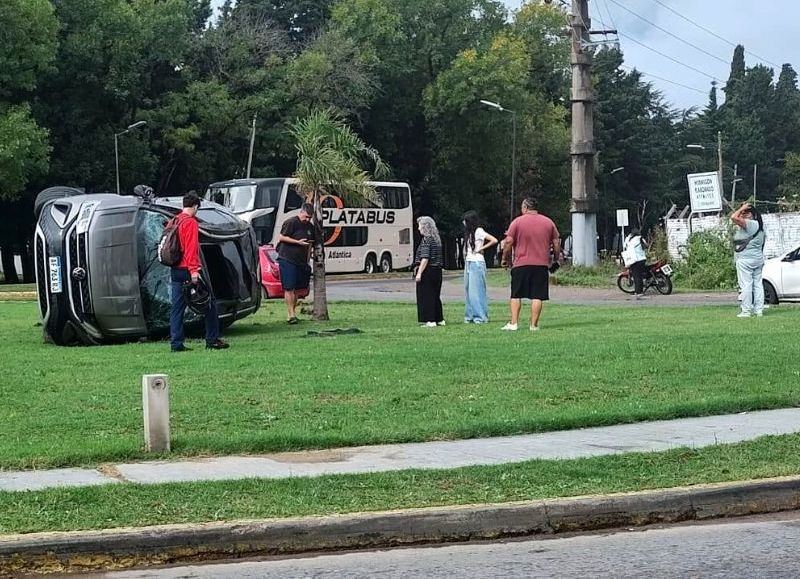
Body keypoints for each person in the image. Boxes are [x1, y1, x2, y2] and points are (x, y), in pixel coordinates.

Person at [170, 192, 229, 352]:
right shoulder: (190, 223)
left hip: (175, 269)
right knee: (208, 302)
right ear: (195, 206)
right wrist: (194, 271)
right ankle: (212, 338)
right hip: (187, 270)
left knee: (177, 308)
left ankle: (176, 343)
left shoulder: (174, 221)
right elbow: (190, 249)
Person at [500, 197, 561, 331]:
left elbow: (509, 242)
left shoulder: (517, 222)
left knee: (516, 294)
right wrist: (556, 259)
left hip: (521, 263)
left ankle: (514, 323)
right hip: (541, 264)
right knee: (537, 295)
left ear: (525, 208)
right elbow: (556, 242)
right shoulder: (548, 222)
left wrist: (505, 258)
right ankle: (534, 325)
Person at [277, 202, 315, 324]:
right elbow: (282, 237)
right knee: (289, 287)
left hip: (301, 261)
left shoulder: (310, 227)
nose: (307, 219)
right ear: (301, 212)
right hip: (287, 259)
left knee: (298, 290)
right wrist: (297, 242)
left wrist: (308, 258)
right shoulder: (291, 222)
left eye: (310, 218)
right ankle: (291, 315)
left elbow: (311, 244)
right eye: (306, 217)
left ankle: (292, 313)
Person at [462, 210, 498, 323]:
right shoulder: (469, 233)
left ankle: (480, 317)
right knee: (468, 290)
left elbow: (494, 240)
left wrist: (481, 248)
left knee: (476, 291)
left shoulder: (479, 231)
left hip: (476, 262)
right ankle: (470, 315)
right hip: (469, 262)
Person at [731, 201, 766, 318]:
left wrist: (742, 208)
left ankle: (746, 311)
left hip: (746, 260)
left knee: (746, 285)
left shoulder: (750, 224)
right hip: (758, 259)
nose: (742, 214)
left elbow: (733, 217)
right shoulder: (759, 225)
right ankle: (759, 310)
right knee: (758, 284)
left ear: (750, 214)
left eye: (745, 212)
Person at [414, 216, 445, 327]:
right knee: (435, 295)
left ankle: (430, 320)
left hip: (429, 271)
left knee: (427, 295)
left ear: (425, 227)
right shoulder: (436, 239)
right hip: (437, 270)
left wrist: (419, 273)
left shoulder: (427, 239)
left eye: (420, 226)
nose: (418, 228)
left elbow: (425, 258)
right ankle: (439, 319)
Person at [623, 228, 648, 300]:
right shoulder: (641, 238)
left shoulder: (629, 239)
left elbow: (625, 247)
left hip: (634, 260)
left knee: (636, 276)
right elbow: (646, 246)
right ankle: (641, 291)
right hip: (642, 259)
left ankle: (638, 292)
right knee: (640, 276)